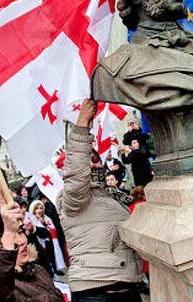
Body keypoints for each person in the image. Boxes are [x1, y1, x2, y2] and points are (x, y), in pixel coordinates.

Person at [57, 99, 143, 302]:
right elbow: (77, 175)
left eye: (95, 159)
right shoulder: (72, 198)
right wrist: (81, 125)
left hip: (126, 289)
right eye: (87, 159)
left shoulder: (107, 192)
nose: (94, 165)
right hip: (96, 294)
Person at [0, 190, 65, 302]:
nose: (22, 241)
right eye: (11, 236)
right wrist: (8, 232)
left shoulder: (38, 269)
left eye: (20, 232)